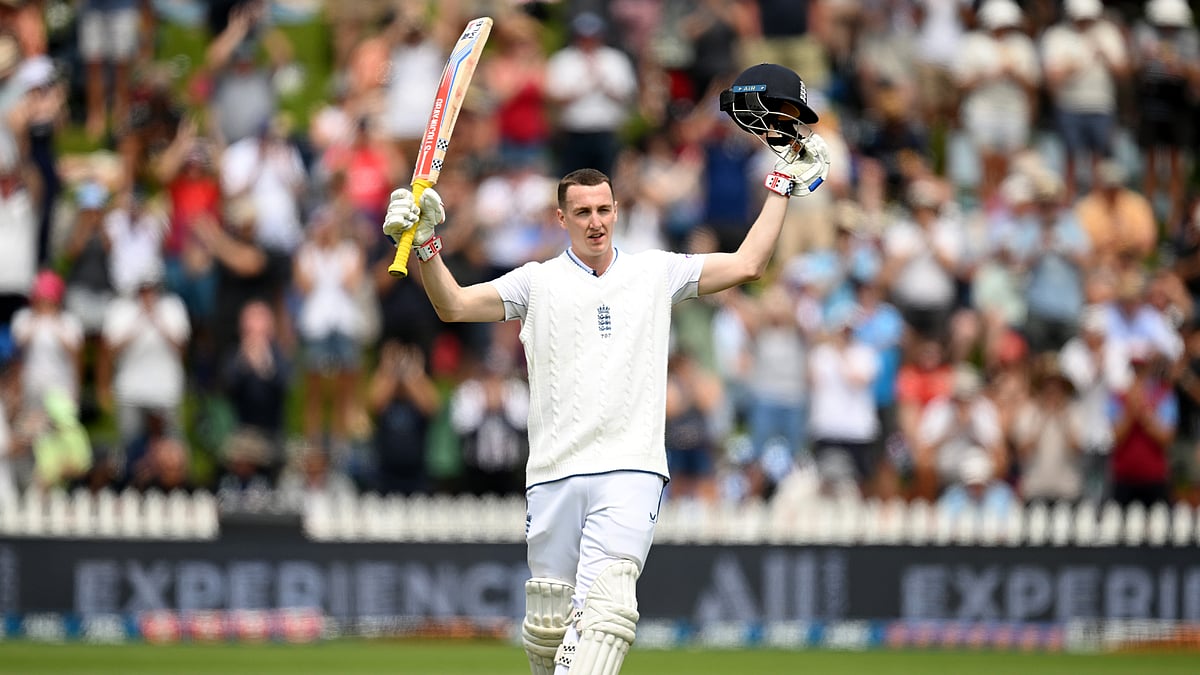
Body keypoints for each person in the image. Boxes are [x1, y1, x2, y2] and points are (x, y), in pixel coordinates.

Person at [382, 63, 829, 675]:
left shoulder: (654, 271)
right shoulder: (536, 282)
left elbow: (749, 264)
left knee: (609, 611)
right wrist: (428, 245)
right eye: (583, 211)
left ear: (616, 211)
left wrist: (780, 183)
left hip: (630, 468)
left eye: (605, 209)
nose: (596, 221)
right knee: (549, 625)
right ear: (561, 218)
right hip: (553, 471)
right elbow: (453, 304)